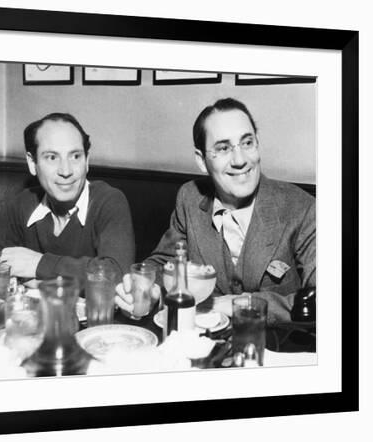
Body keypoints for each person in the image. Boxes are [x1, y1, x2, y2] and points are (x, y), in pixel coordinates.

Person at [116, 98, 316, 324]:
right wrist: (150, 289)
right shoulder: (190, 198)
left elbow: (328, 298)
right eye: (223, 148)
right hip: (204, 346)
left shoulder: (302, 208)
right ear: (202, 161)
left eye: (247, 143)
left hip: (278, 351)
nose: (240, 160)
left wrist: (238, 304)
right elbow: (167, 262)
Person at [0, 112, 135, 285]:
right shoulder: (26, 202)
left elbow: (117, 274)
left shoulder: (109, 201)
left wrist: (38, 265)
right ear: (32, 163)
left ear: (87, 161)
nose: (66, 171)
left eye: (76, 156)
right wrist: (15, 270)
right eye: (52, 157)